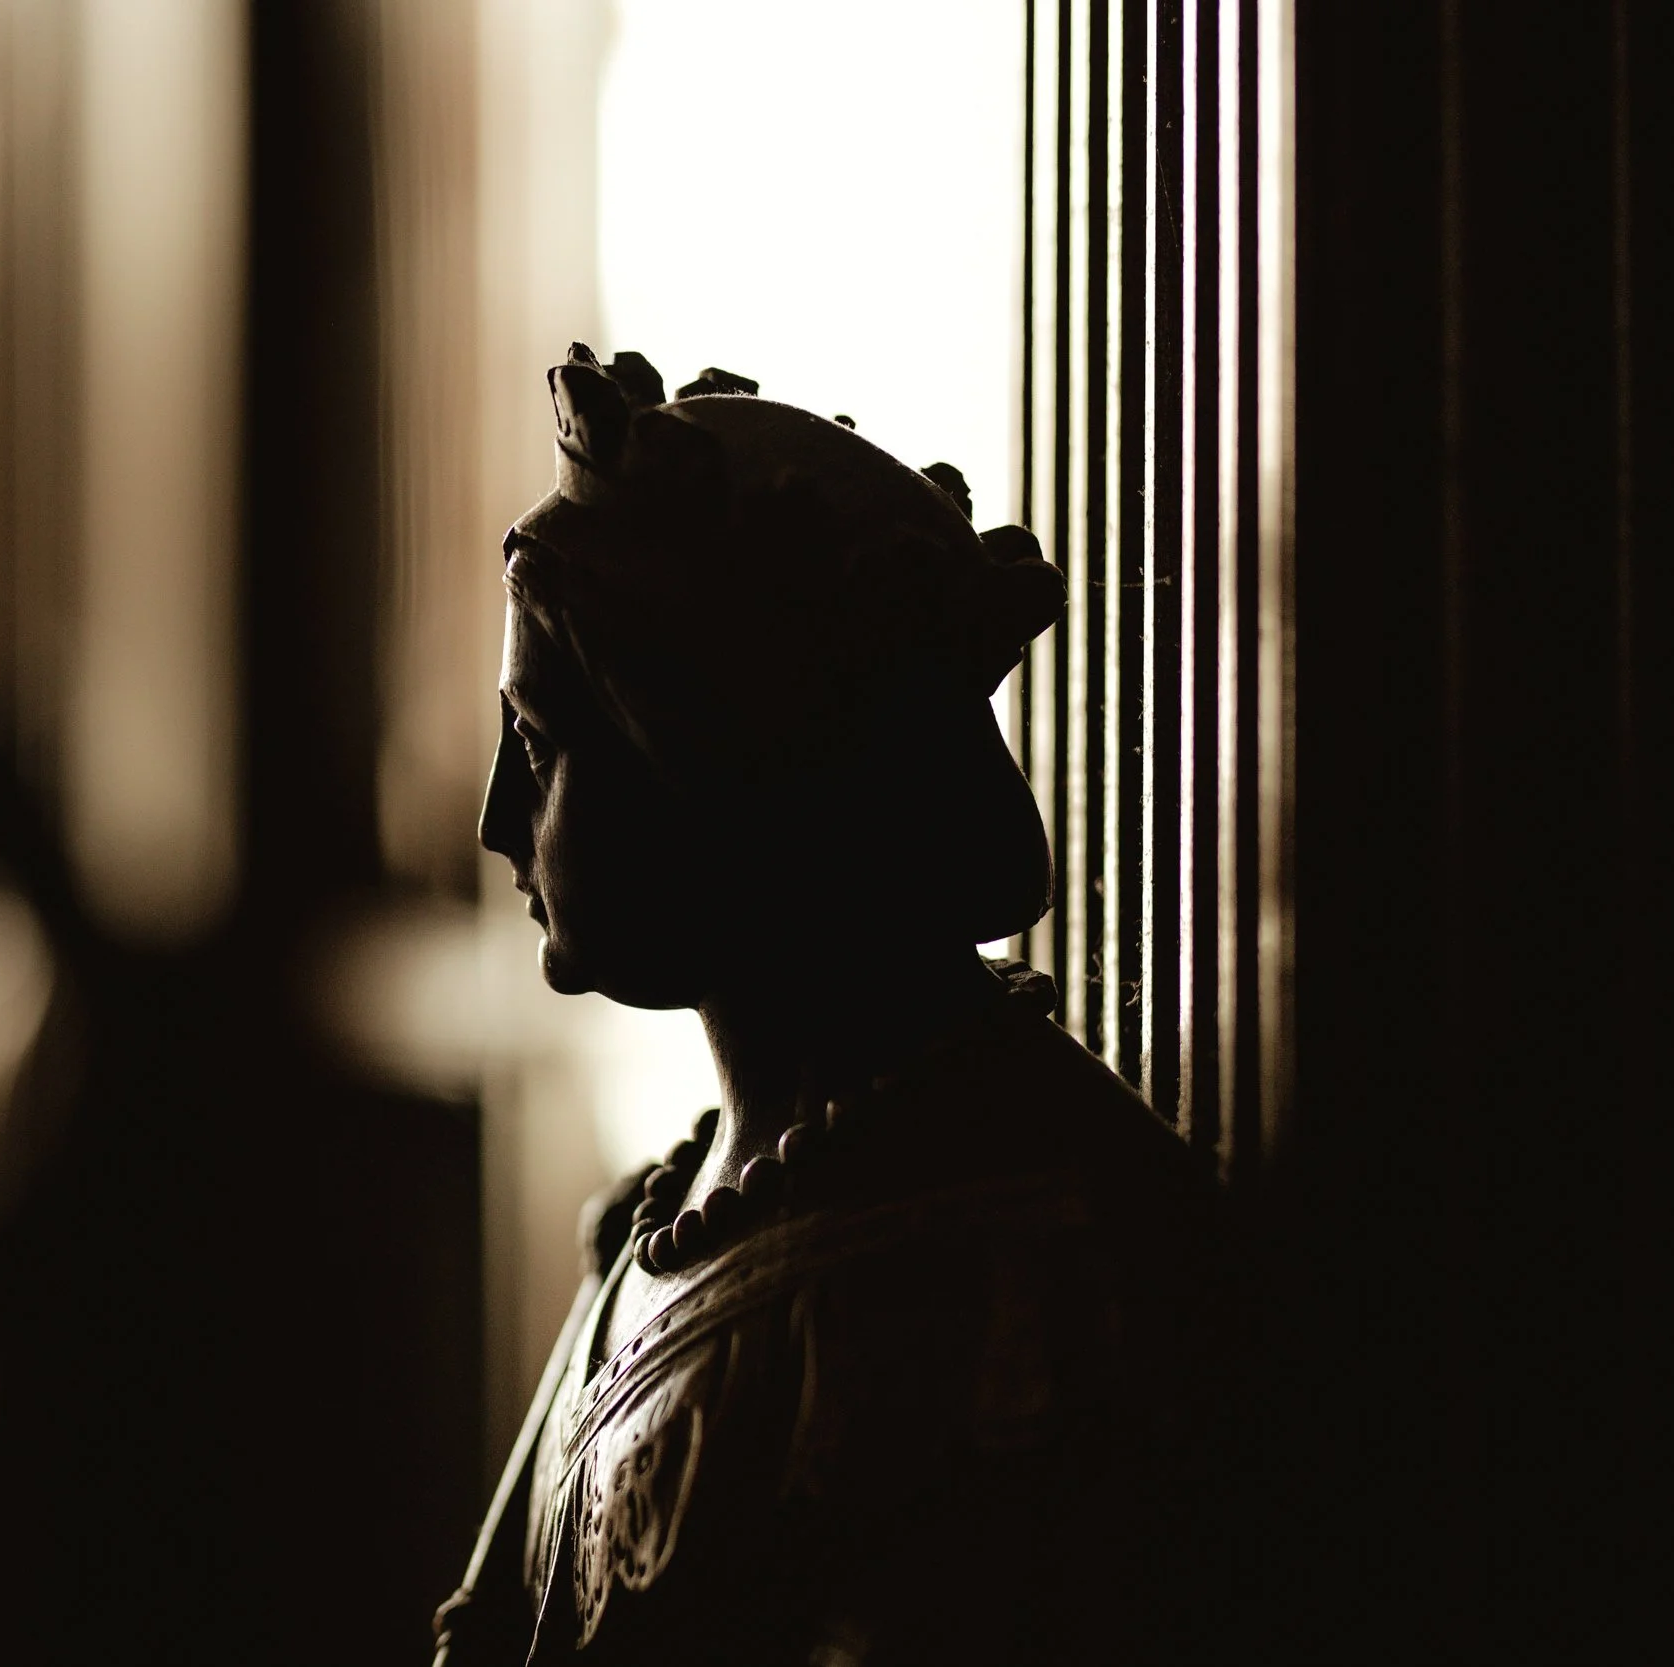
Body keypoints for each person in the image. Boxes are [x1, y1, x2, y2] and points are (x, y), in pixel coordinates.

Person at [432, 348, 1232, 1666]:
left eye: (536, 745)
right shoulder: (670, 1211)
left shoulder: (1008, 1262)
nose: (492, 822)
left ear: (713, 753)